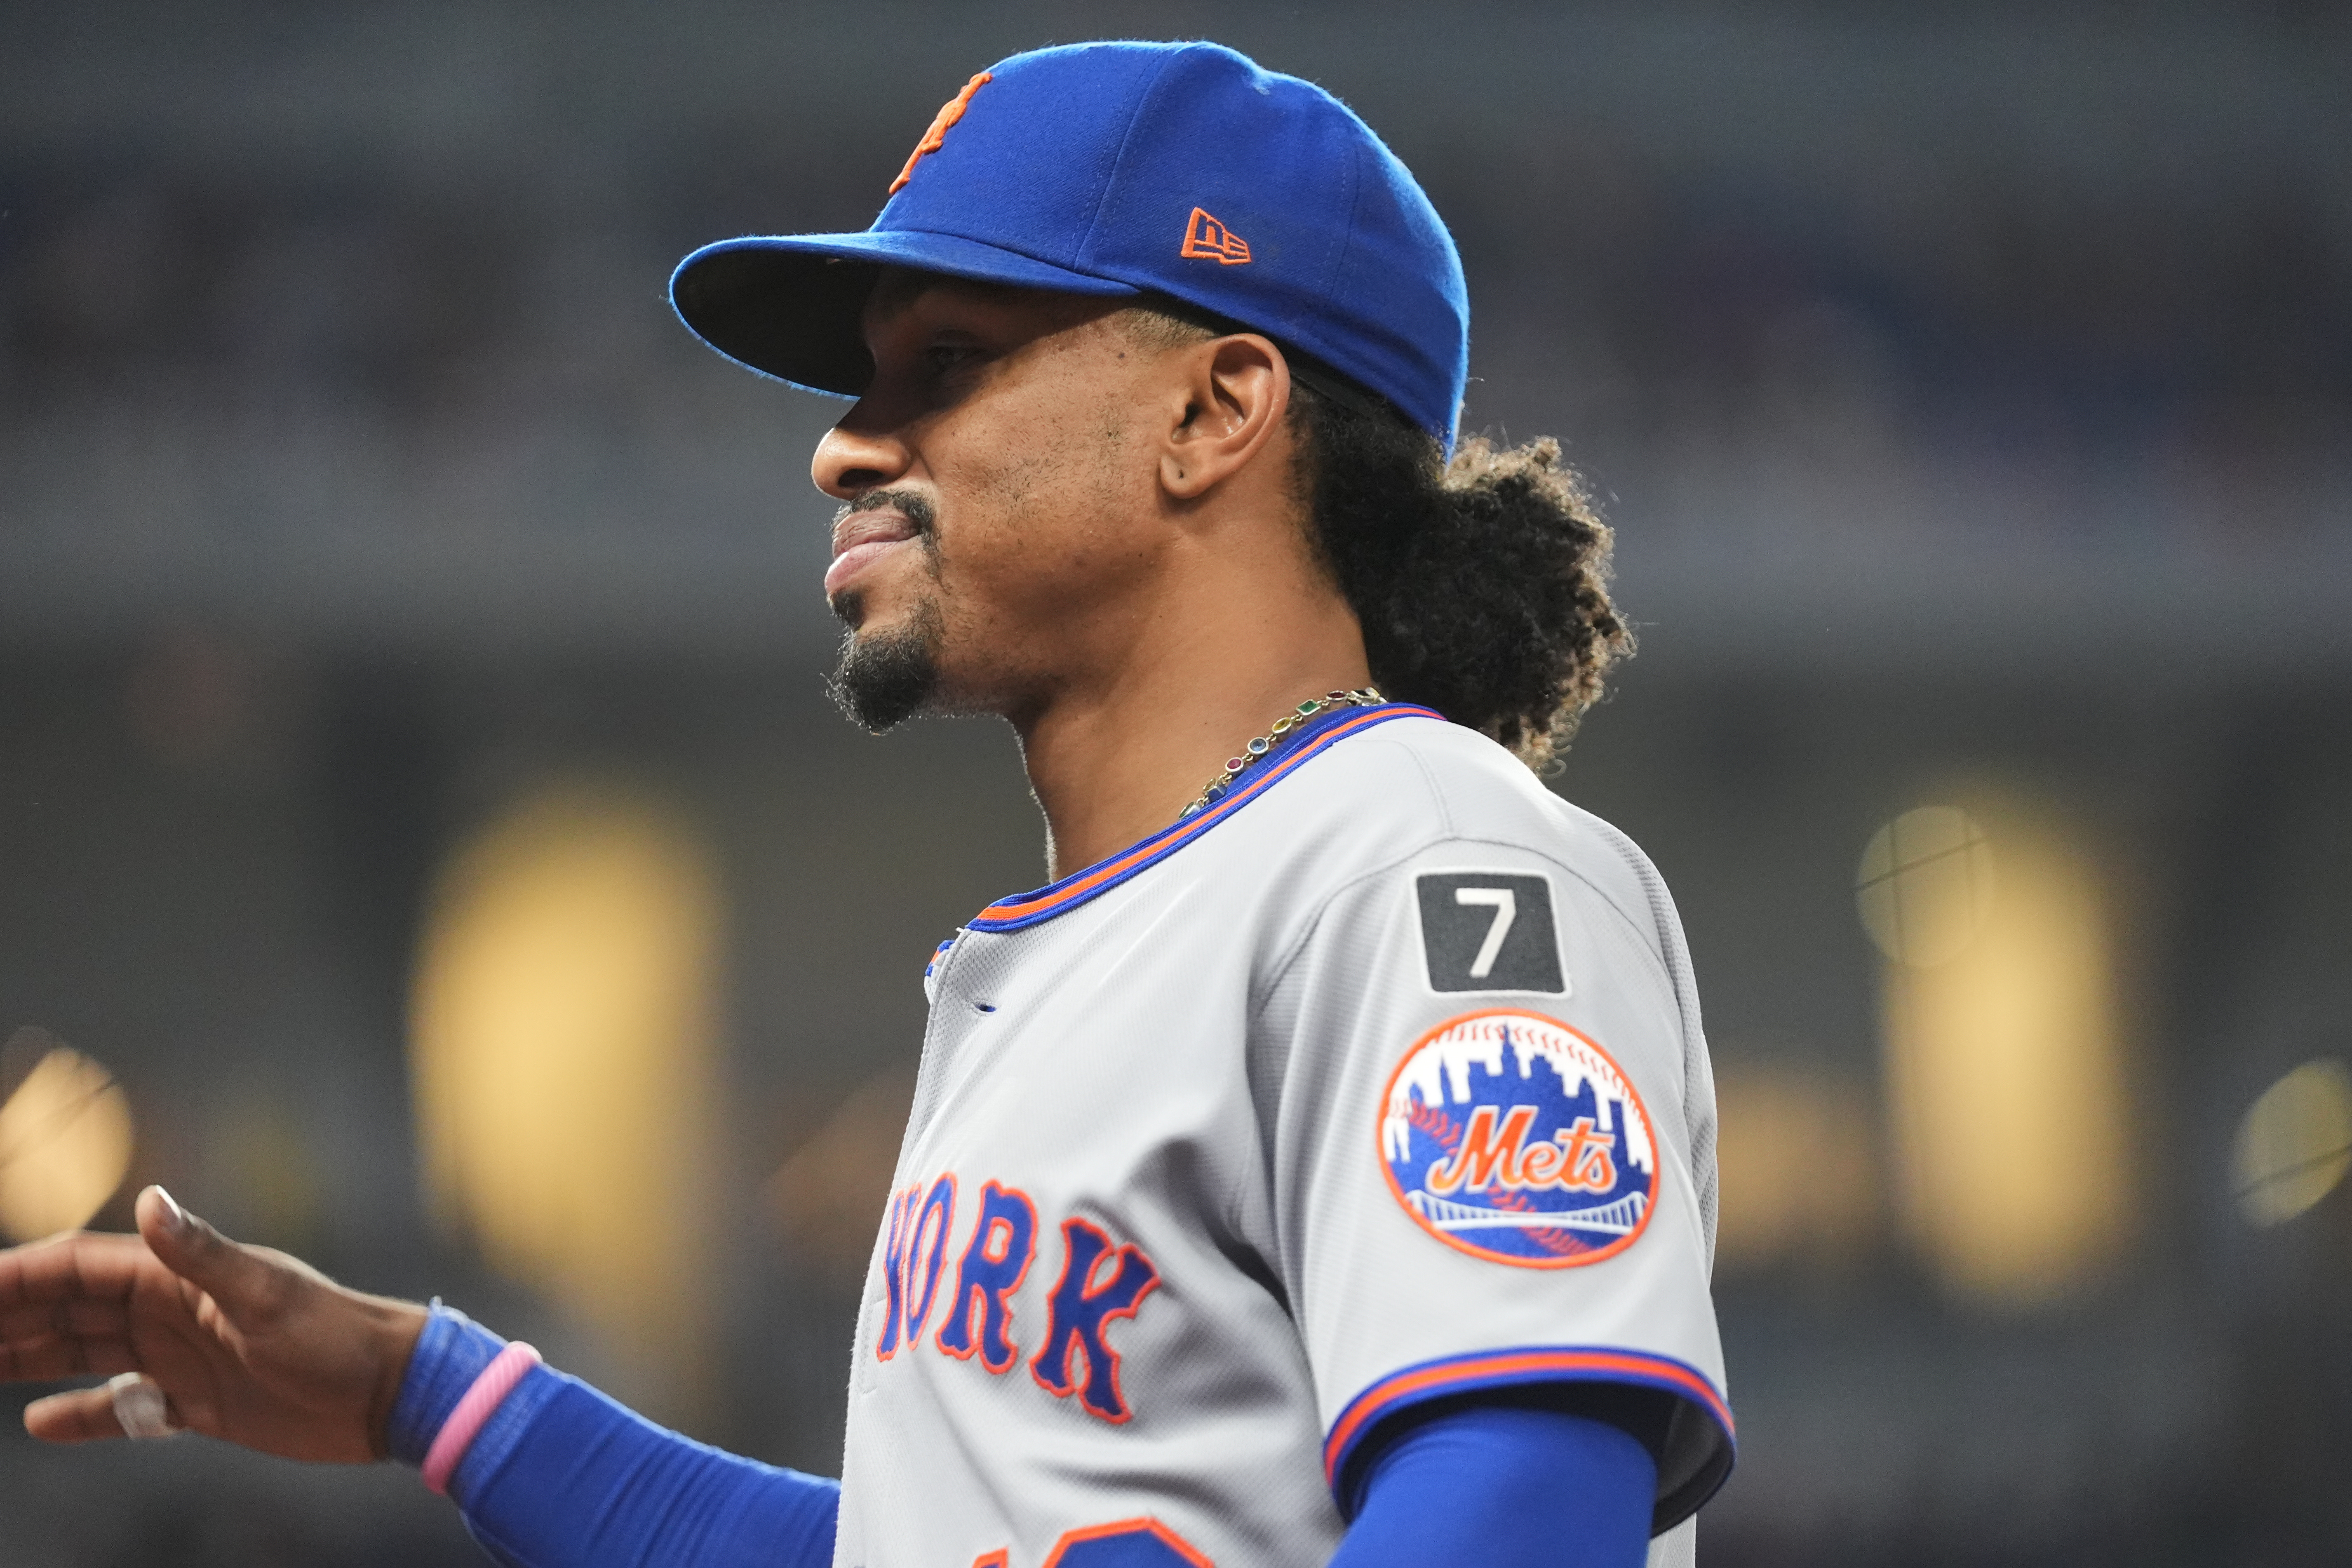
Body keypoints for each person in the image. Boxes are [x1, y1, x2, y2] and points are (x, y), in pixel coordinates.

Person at [0, 40, 1730, 1568]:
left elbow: (1521, 1511)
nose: (843, 443)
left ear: (1210, 412)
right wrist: (422, 1392)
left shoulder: (1417, 857)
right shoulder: (1105, 937)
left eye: (950, 360)